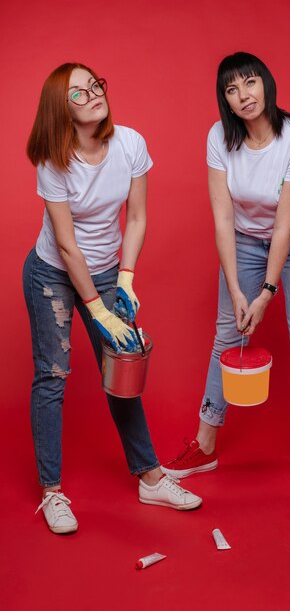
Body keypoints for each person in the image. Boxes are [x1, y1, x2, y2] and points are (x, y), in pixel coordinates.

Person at [24, 63, 202, 534]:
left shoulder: (130, 143)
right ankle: (52, 491)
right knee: (53, 376)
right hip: (52, 274)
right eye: (77, 94)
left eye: (94, 85)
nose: (93, 95)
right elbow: (66, 245)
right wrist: (97, 308)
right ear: (60, 112)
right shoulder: (54, 160)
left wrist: (124, 279)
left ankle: (150, 477)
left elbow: (138, 217)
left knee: (123, 365)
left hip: (105, 271)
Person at [162, 52, 290, 526]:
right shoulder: (219, 137)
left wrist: (266, 292)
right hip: (243, 243)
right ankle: (205, 446)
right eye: (232, 90)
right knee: (226, 337)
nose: (244, 96)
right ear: (226, 101)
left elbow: (284, 226)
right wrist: (238, 289)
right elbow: (221, 217)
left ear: (266, 84)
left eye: (250, 83)